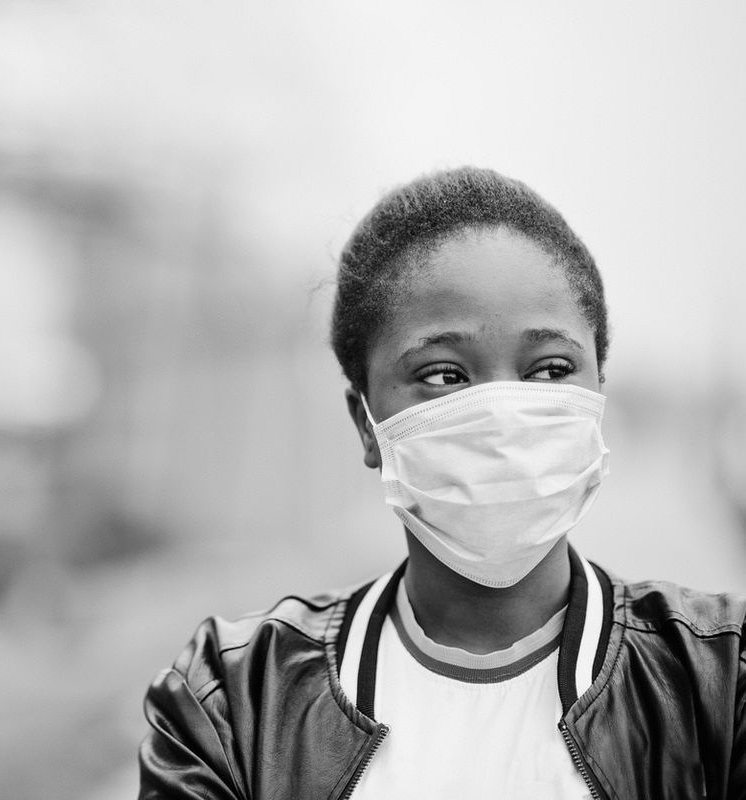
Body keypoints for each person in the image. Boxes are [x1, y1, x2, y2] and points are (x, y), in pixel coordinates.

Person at [137, 167, 746, 799]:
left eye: (550, 369)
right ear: (368, 424)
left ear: (597, 391)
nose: (503, 417)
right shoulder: (237, 700)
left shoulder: (719, 681)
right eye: (444, 374)